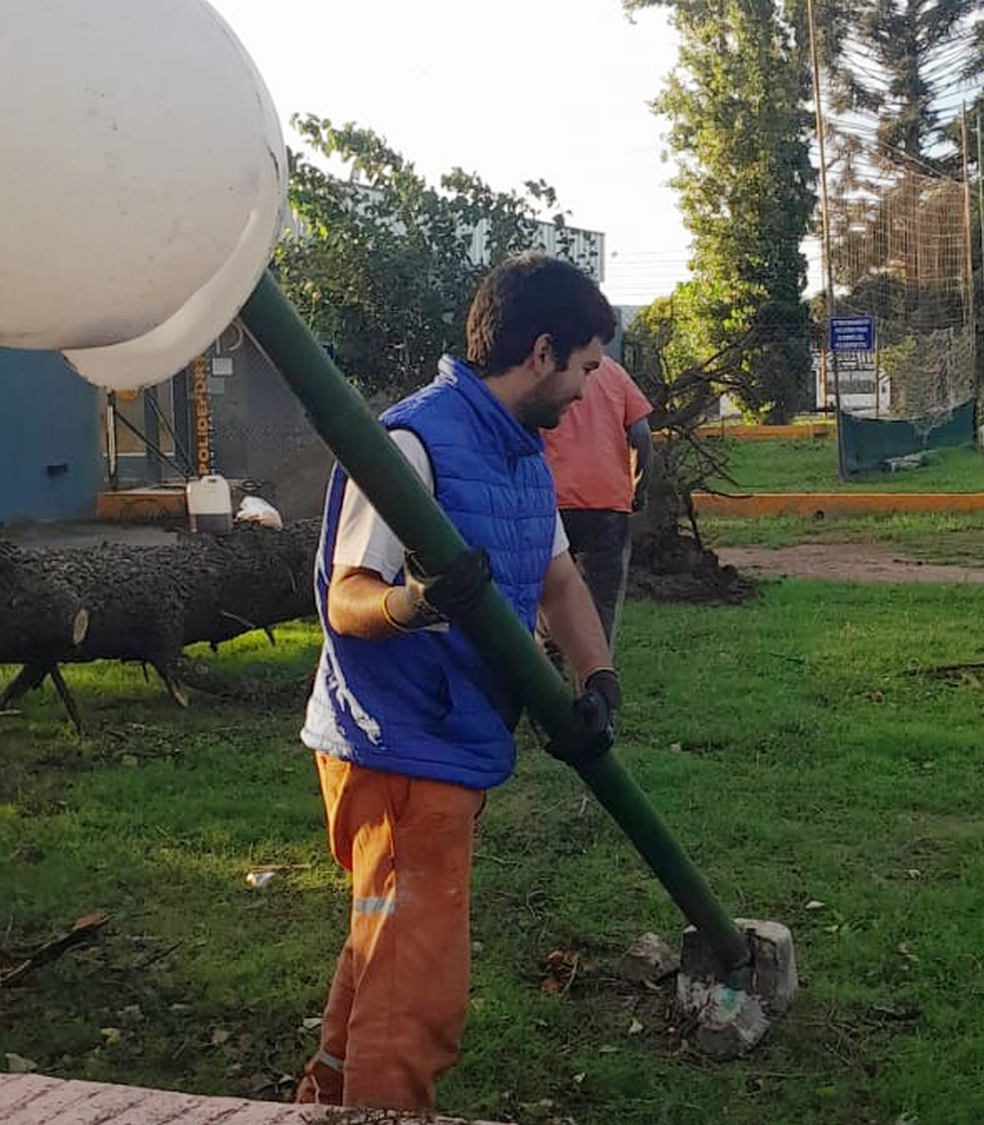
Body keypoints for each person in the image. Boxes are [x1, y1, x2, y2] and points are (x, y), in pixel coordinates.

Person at [295, 254, 622, 1112]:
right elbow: (347, 595)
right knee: (417, 992)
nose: (591, 392)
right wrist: (416, 600)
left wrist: (599, 676)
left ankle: (326, 1096)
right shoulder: (410, 443)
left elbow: (556, 580)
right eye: (587, 367)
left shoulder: (519, 457)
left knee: (385, 939)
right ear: (542, 352)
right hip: (397, 745)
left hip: (448, 743)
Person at [540, 355, 654, 651]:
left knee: (546, 598)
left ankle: (546, 673)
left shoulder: (541, 368)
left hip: (549, 501)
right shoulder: (612, 370)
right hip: (607, 503)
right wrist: (638, 489)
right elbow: (641, 434)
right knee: (601, 604)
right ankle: (596, 683)